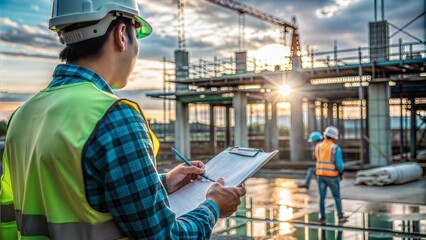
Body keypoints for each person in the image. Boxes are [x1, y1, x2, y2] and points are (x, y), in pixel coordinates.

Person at [0, 0, 246, 239]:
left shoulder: (22, 115)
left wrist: (162, 184)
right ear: (121, 35)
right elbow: (164, 236)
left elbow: (67, 196)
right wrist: (213, 206)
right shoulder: (113, 115)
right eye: (136, 35)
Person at [315, 126, 348, 225]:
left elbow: (317, 158)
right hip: (332, 176)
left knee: (322, 197)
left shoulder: (318, 146)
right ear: (334, 137)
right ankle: (340, 216)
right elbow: (339, 165)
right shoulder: (335, 148)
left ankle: (322, 218)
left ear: (325, 136)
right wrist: (341, 173)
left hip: (320, 175)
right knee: (337, 196)